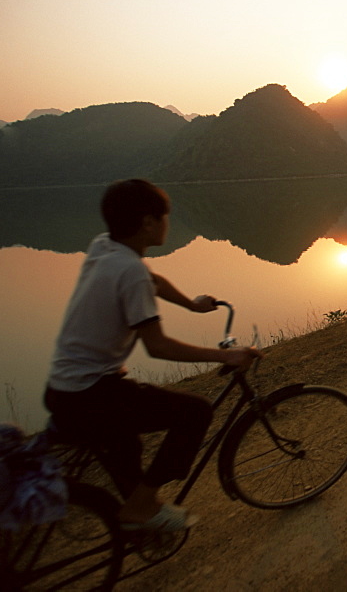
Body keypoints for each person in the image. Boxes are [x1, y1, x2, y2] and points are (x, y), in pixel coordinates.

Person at [44, 179, 262, 532]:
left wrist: (191, 305)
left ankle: (140, 519)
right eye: (165, 216)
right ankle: (140, 509)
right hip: (91, 395)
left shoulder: (105, 247)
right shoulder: (129, 271)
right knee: (195, 412)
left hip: (64, 390)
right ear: (148, 222)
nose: (167, 223)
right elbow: (157, 346)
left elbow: (153, 281)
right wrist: (227, 357)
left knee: (127, 444)